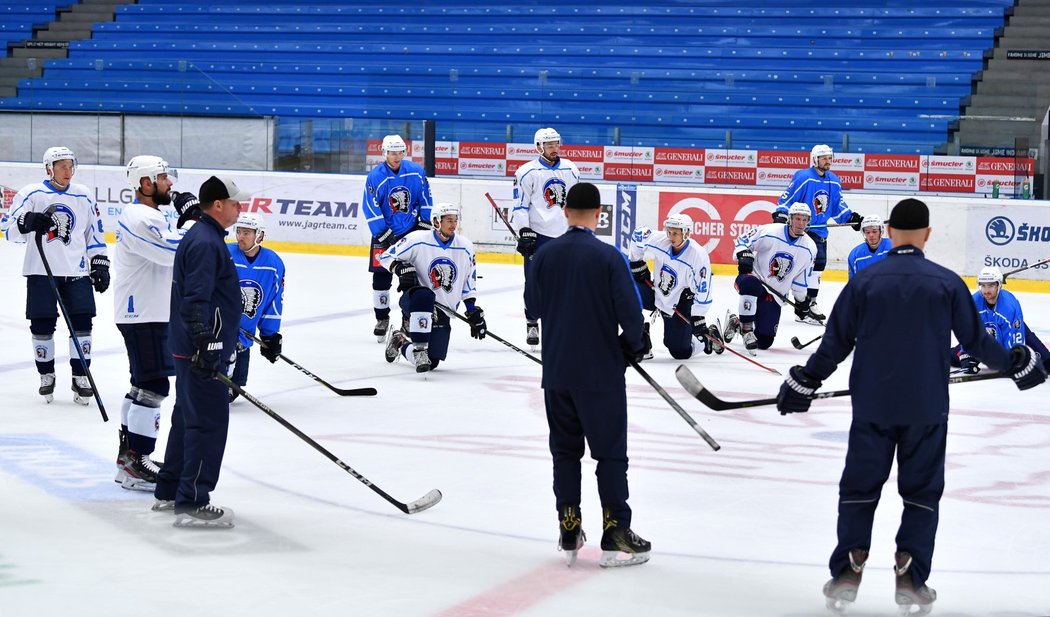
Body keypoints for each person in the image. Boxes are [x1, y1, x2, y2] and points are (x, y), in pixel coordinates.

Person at [775, 198, 1046, 615]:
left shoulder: (864, 281)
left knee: (859, 489)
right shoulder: (947, 282)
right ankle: (911, 576)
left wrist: (806, 380)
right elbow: (977, 343)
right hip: (927, 406)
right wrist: (1018, 362)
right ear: (927, 234)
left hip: (872, 404)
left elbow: (835, 343)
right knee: (921, 493)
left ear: (890, 232)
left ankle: (848, 569)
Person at [524, 182, 652, 568]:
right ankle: (615, 532)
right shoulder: (608, 257)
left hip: (558, 372)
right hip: (601, 373)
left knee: (565, 451)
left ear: (564, 212)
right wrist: (635, 344)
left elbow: (533, 306)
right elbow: (631, 316)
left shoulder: (545, 256)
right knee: (610, 454)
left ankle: (569, 524)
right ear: (599, 214)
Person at [154, 176, 248, 528]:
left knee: (186, 418)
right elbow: (195, 302)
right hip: (199, 351)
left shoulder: (205, 237)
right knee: (207, 423)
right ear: (218, 205)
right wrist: (208, 343)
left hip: (191, 348)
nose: (241, 208)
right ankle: (192, 502)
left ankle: (169, 490)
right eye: (236, 202)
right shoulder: (207, 242)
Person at [112, 155, 197, 491]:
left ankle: (129, 458)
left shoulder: (150, 214)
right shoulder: (138, 216)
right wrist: (194, 219)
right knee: (154, 386)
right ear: (145, 184)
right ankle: (137, 459)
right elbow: (171, 250)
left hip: (147, 310)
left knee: (141, 384)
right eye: (163, 178)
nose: (170, 184)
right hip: (142, 311)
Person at [0, 146, 108, 404]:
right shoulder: (32, 193)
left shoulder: (83, 195)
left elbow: (94, 234)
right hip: (41, 272)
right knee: (42, 325)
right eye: (61, 166)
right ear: (49, 168)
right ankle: (46, 374)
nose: (67, 171)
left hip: (77, 272)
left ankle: (80, 376)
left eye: (70, 166)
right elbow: (7, 229)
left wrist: (100, 263)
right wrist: (27, 222)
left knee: (83, 324)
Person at [378, 202, 485, 373]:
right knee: (425, 296)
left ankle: (400, 341)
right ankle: (419, 348)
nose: (453, 224)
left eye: (455, 220)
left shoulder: (465, 247)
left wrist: (472, 310)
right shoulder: (417, 239)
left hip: (443, 309)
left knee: (433, 361)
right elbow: (384, 257)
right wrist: (398, 268)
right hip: (415, 300)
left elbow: (468, 281)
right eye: (448, 220)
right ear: (436, 222)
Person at [774, 144, 864, 324]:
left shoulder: (834, 180)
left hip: (821, 231)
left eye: (830, 158)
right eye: (824, 158)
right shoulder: (804, 177)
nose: (828, 161)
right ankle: (797, 301)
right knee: (804, 267)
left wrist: (850, 217)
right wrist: (781, 214)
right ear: (815, 159)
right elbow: (788, 197)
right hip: (803, 230)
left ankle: (809, 303)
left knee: (818, 268)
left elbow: (838, 205)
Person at [511, 127, 580, 346]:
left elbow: (576, 203)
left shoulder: (571, 169)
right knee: (534, 282)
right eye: (549, 145)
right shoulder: (526, 172)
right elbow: (520, 206)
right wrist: (525, 231)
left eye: (556, 144)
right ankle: (532, 322)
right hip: (538, 237)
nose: (554, 148)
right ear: (538, 146)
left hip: (564, 237)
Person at [724, 203, 819, 356]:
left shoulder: (810, 247)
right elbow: (743, 240)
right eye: (797, 219)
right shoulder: (770, 231)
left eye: (804, 220)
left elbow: (801, 278)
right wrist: (743, 254)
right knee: (750, 283)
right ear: (789, 219)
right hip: (755, 281)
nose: (801, 224)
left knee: (764, 341)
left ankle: (736, 321)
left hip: (775, 295)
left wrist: (802, 301)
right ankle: (747, 330)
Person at [363, 135, 433, 342]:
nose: (396, 156)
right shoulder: (376, 176)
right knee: (381, 277)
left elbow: (426, 198)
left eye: (400, 152)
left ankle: (406, 319)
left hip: (410, 233)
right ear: (384, 153)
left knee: (411, 278)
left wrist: (423, 224)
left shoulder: (416, 171)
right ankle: (382, 319)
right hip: (384, 234)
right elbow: (370, 207)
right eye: (392, 152)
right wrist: (384, 235)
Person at [627, 213, 719, 359]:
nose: (671, 236)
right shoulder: (661, 241)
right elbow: (639, 234)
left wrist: (698, 315)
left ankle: (705, 340)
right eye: (669, 231)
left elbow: (704, 288)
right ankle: (641, 339)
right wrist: (636, 263)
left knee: (680, 352)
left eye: (675, 233)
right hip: (656, 292)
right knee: (625, 291)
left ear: (686, 233)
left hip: (680, 303)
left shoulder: (698, 256)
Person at [228, 213, 286, 401]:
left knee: (232, 391)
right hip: (220, 332)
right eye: (239, 232)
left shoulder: (273, 263)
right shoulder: (225, 253)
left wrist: (270, 335)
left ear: (259, 236)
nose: (241, 237)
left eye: (247, 233)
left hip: (244, 337)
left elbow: (273, 301)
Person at [952, 266, 1050, 374]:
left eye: (991, 285)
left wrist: (1012, 361)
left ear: (999, 285)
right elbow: (968, 331)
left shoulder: (1009, 307)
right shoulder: (973, 302)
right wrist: (966, 355)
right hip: (986, 336)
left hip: (1014, 332)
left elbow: (1016, 339)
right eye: (983, 286)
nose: (986, 290)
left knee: (1047, 364)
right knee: (953, 359)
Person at [846, 215, 891, 279]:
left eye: (874, 231)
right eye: (867, 232)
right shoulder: (855, 255)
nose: (871, 235)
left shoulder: (893, 247)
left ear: (881, 231)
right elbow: (853, 284)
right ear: (863, 233)